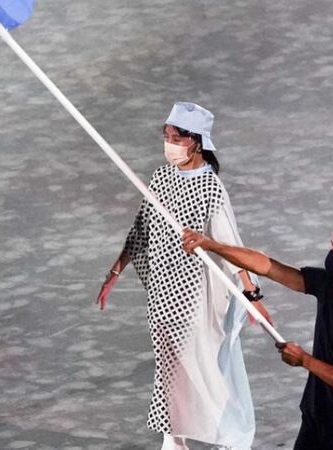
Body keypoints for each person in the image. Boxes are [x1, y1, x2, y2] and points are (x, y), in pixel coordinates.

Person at [96, 102, 271, 450]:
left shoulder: (210, 187)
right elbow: (141, 230)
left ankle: (208, 438)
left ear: (196, 141)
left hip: (191, 298)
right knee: (169, 369)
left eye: (176, 137)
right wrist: (115, 271)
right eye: (166, 136)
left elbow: (230, 244)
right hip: (160, 295)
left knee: (197, 370)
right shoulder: (160, 177)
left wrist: (251, 295)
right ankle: (174, 439)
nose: (169, 142)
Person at [181, 218, 333, 450]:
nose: (331, 255)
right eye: (332, 246)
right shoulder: (328, 284)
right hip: (317, 420)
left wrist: (305, 360)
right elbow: (268, 267)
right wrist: (212, 245)